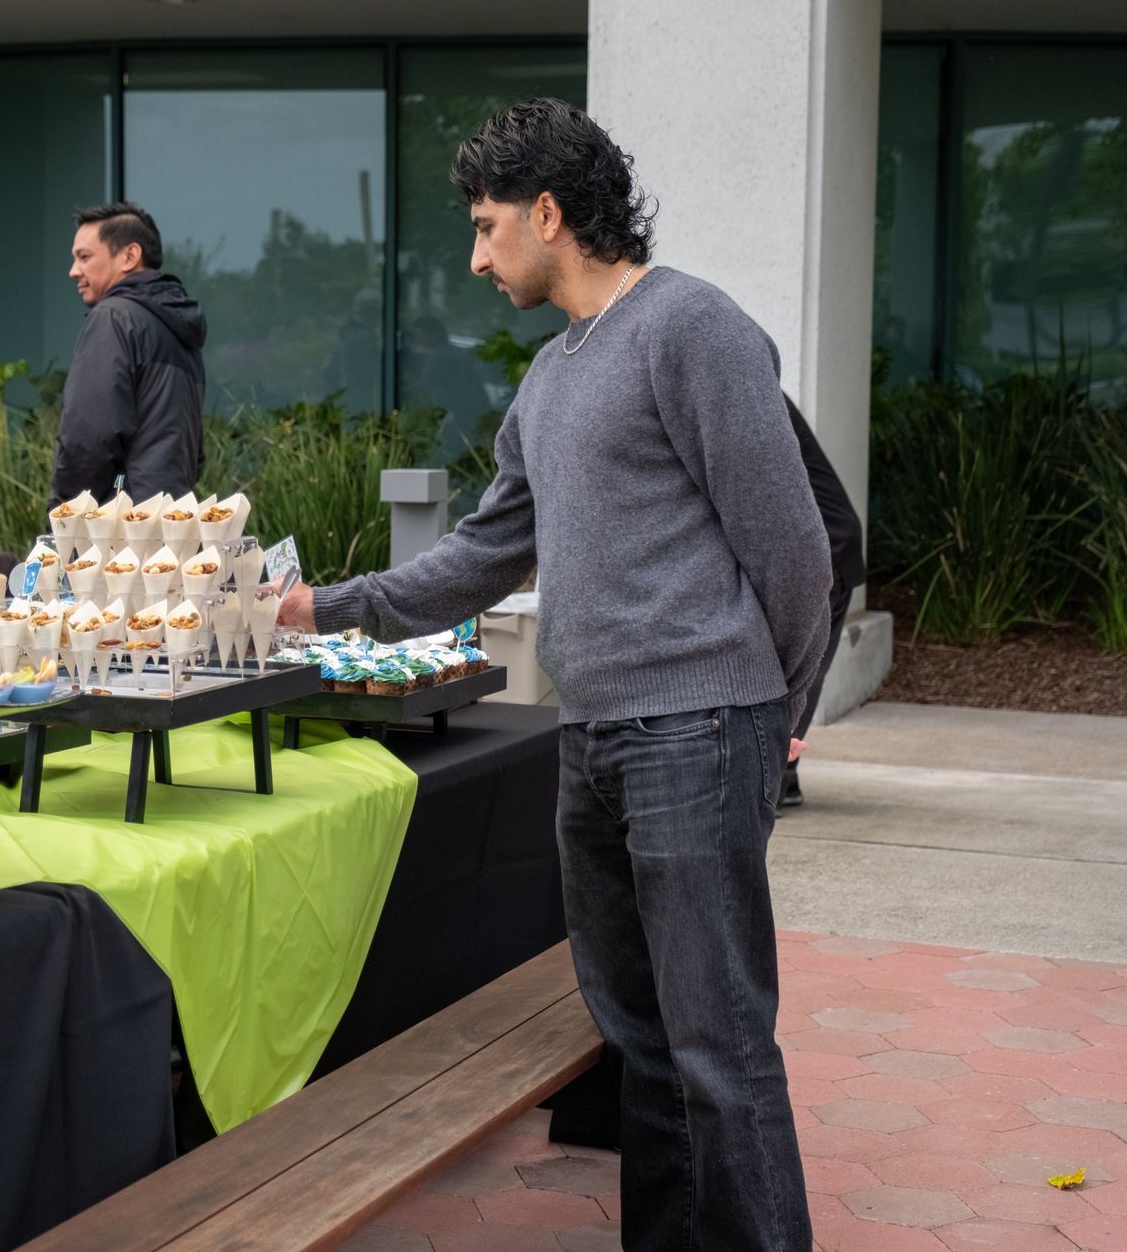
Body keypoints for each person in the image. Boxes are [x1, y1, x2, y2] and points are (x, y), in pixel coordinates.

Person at [277, 98, 830, 1251]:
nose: (477, 257)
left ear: (548, 211)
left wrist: (780, 707)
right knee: (637, 1039)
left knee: (718, 1042)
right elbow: (481, 556)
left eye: (486, 227)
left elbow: (793, 546)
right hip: (594, 738)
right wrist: (319, 609)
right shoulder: (550, 380)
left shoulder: (692, 328)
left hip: (698, 726)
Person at [51, 202, 206, 505]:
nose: (73, 271)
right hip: (173, 520)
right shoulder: (176, 326)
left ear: (129, 256)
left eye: (84, 257)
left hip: (121, 532)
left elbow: (89, 439)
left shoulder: (114, 317)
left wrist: (64, 516)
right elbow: (193, 451)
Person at [782, 395, 866, 808]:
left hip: (824, 551)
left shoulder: (742, 382)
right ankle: (782, 778)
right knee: (793, 676)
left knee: (795, 678)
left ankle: (777, 779)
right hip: (817, 547)